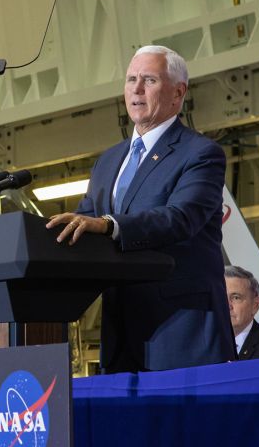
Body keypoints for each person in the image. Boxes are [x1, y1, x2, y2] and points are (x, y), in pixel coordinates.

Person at [46, 45, 233, 372]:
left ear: (178, 92)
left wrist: (108, 225)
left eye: (149, 80)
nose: (136, 88)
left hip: (180, 333)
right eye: (131, 79)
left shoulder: (201, 153)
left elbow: (180, 219)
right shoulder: (108, 161)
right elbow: (83, 222)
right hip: (121, 334)